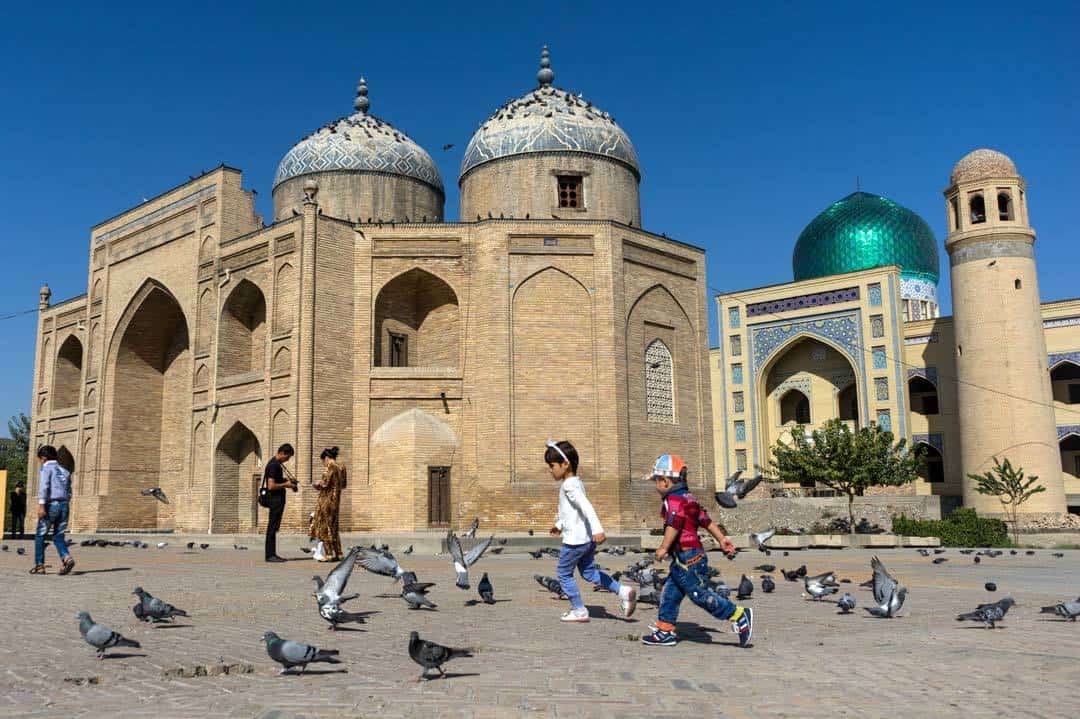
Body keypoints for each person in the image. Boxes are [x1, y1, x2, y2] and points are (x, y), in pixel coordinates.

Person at [641, 454, 754, 648]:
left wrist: (663, 547)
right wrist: (722, 539)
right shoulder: (689, 498)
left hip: (688, 558)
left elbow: (674, 523)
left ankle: (738, 614)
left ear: (665, 481)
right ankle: (665, 630)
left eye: (656, 481)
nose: (655, 486)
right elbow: (706, 521)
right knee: (670, 594)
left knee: (699, 594)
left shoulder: (673, 500)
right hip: (688, 557)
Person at [546, 439, 637, 622]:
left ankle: (579, 610)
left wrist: (598, 529)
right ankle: (623, 591)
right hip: (586, 540)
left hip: (575, 542)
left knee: (564, 574)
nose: (550, 470)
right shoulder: (577, 482)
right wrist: (559, 525)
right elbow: (573, 512)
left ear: (565, 464)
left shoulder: (569, 485)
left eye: (552, 465)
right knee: (589, 573)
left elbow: (586, 507)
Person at [30, 446, 74, 575]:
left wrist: (42, 505)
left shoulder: (46, 468)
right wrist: (64, 502)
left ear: (43, 458)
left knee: (40, 535)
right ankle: (67, 558)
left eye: (40, 459)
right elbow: (69, 491)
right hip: (64, 505)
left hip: (51, 505)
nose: (40, 462)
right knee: (59, 536)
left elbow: (44, 487)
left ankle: (40, 565)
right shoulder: (64, 470)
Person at [262, 443, 296, 563]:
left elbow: (275, 481)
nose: (288, 460)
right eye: (287, 457)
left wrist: (285, 480)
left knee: (273, 526)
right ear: (282, 453)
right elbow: (271, 486)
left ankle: (272, 554)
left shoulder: (276, 464)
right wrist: (285, 484)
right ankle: (270, 555)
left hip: (277, 500)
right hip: (275, 500)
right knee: (272, 527)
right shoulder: (274, 465)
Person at [310, 446, 345, 562]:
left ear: (326, 458)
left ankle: (329, 553)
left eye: (323, 462)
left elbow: (324, 484)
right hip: (336, 501)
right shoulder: (342, 467)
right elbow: (343, 484)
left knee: (325, 527)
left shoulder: (330, 467)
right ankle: (339, 553)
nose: (324, 464)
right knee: (334, 527)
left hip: (326, 501)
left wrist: (317, 484)